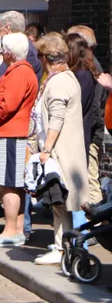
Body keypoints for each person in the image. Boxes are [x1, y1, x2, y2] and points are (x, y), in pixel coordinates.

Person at [30, 33, 90, 264]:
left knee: (61, 201)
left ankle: (62, 248)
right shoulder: (64, 78)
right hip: (61, 149)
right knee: (61, 203)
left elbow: (56, 118)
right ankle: (64, 245)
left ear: (46, 57)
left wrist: (46, 149)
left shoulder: (59, 82)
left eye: (39, 55)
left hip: (60, 151)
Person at [0, 33, 38, 247]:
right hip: (10, 132)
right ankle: (17, 229)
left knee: (9, 184)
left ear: (10, 53)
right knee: (13, 184)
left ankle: (11, 230)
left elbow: (7, 106)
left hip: (9, 133)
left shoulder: (19, 72)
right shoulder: (20, 70)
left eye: (3, 49)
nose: (1, 52)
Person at [67, 25, 106, 207]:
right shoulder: (88, 67)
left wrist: (92, 135)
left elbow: (95, 106)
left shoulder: (88, 70)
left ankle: (96, 223)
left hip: (89, 133)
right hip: (89, 130)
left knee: (89, 179)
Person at [0, 11, 42, 82]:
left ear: (7, 28)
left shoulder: (26, 50)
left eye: (0, 28)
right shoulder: (15, 47)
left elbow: (18, 82)